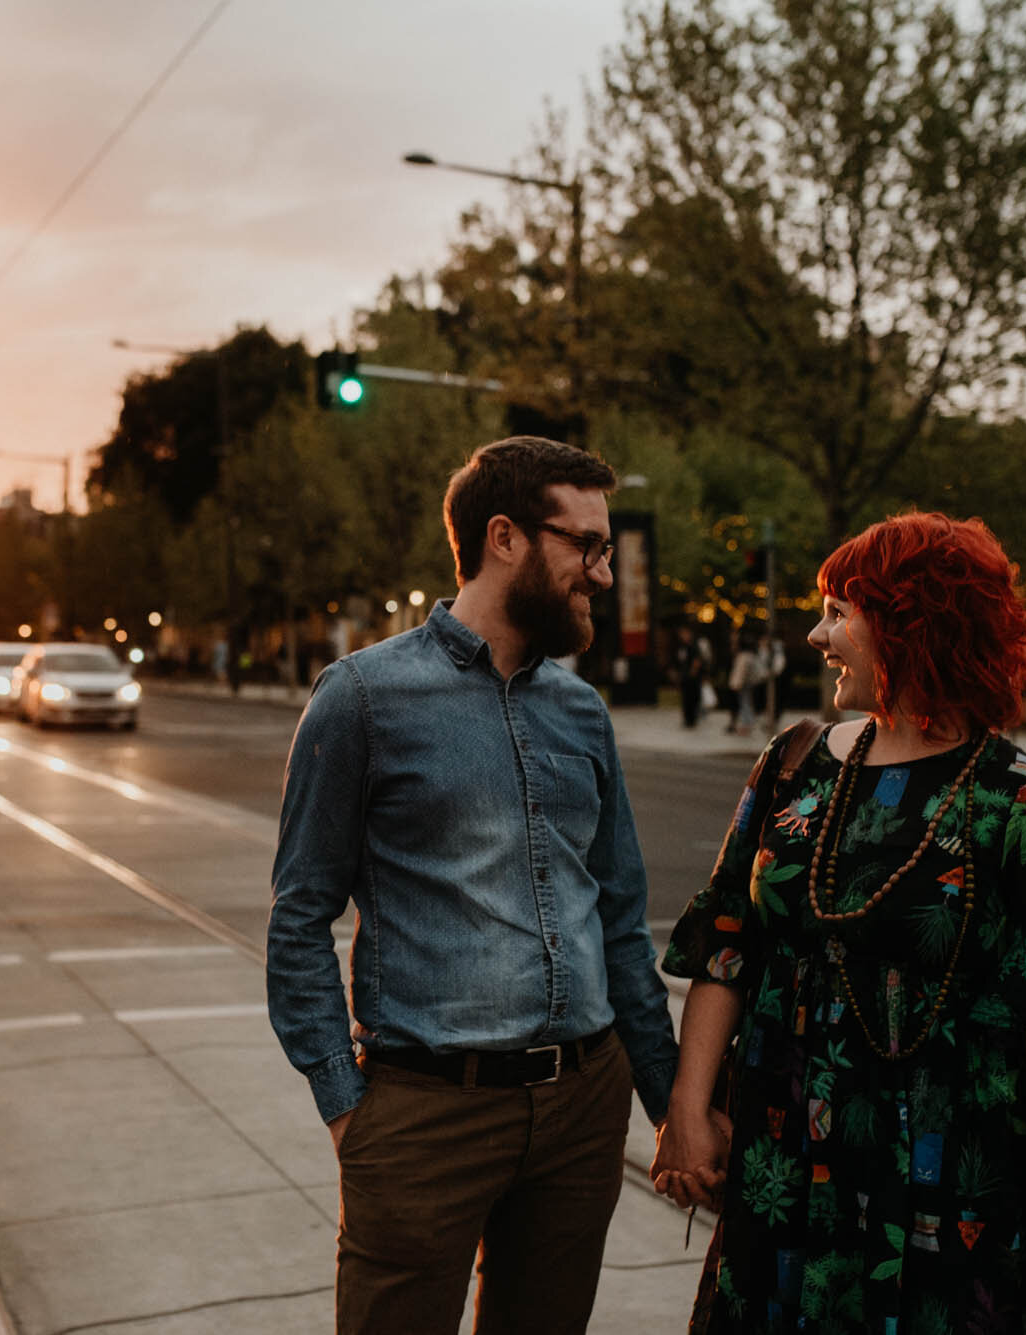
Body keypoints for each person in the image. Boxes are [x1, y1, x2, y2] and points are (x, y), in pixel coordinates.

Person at [650, 512, 1026, 1335]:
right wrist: (689, 1104)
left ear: (911, 625)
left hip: (950, 1187)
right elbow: (730, 942)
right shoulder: (793, 761)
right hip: (784, 1165)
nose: (816, 634)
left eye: (839, 612)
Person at [268, 435, 680, 1335]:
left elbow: (619, 921)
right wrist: (350, 1109)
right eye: (587, 546)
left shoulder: (580, 710)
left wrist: (669, 1100)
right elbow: (299, 916)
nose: (603, 574)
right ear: (506, 537)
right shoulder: (363, 696)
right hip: (426, 1115)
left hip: (581, 1111)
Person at [673, 624, 715, 728]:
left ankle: (692, 719)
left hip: (692, 678)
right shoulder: (682, 646)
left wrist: (693, 672)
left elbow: (697, 660)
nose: (683, 636)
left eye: (685, 633)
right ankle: (688, 719)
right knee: (686, 699)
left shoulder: (694, 645)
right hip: (685, 677)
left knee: (693, 698)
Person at [725, 632, 761, 735]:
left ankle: (747, 724)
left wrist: (735, 684)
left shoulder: (743, 656)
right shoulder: (751, 655)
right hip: (748, 683)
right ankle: (746, 724)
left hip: (743, 684)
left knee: (745, 703)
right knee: (746, 703)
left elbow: (740, 672)